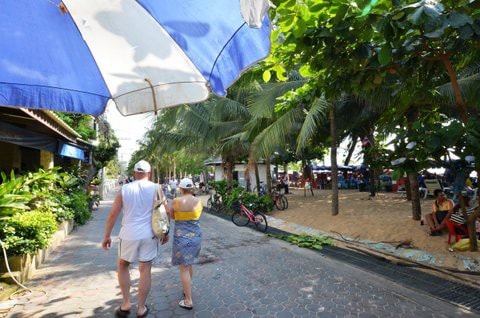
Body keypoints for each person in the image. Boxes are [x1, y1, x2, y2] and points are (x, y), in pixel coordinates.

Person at [102, 160, 168, 318]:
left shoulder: (124, 189)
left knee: (123, 265)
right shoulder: (156, 188)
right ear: (149, 173)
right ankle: (141, 308)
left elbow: (113, 214)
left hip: (128, 235)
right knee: (145, 269)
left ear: (134, 173)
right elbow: (163, 210)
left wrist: (106, 236)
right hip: (149, 234)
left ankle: (125, 304)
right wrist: (165, 233)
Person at [168, 178, 203, 310]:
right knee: (189, 264)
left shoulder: (176, 201)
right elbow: (198, 215)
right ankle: (187, 289)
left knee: (184, 268)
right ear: (192, 189)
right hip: (196, 236)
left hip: (181, 237)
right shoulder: (198, 201)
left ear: (181, 189)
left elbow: (172, 216)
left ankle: (188, 300)